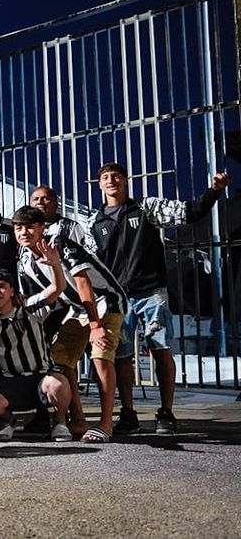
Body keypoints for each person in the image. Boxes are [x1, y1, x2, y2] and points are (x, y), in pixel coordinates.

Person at [88, 164, 231, 435]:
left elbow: (190, 212)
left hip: (152, 292)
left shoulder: (146, 208)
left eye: (116, 176)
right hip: (117, 298)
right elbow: (90, 264)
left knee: (161, 349)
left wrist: (214, 191)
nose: (111, 180)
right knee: (121, 355)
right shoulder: (94, 222)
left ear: (125, 181)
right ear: (99, 185)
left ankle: (166, 412)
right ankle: (127, 412)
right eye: (105, 177)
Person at [14, 206, 126, 443]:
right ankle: (78, 419)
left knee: (100, 354)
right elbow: (41, 297)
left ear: (42, 227)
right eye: (18, 227)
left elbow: (83, 281)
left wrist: (95, 324)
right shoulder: (24, 259)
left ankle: (106, 423)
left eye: (30, 226)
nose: (24, 232)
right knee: (60, 359)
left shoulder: (59, 242)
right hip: (75, 309)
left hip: (105, 301)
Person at [0, 266, 72, 442]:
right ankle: (7, 421)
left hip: (39, 379)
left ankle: (60, 421)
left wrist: (54, 264)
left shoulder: (29, 309)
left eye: (2, 286)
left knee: (58, 384)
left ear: (12, 291)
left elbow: (57, 288)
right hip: (7, 384)